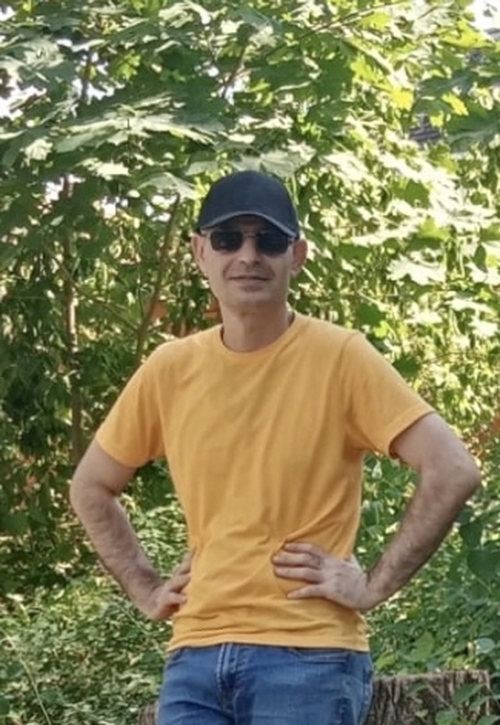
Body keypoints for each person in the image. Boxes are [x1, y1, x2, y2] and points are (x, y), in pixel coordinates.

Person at [70, 169, 481, 725]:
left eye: (267, 239)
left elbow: (452, 468)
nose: (248, 255)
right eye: (227, 239)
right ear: (199, 252)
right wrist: (145, 587)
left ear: (297, 255)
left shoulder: (341, 357)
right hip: (194, 657)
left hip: (308, 654)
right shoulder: (169, 369)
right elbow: (91, 487)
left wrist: (373, 585)